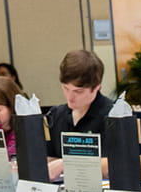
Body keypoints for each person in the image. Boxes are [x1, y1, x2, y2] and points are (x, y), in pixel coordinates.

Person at [44, 49, 112, 180]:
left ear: (97, 87)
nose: (70, 97)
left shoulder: (113, 117)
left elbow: (115, 165)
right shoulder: (56, 114)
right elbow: (48, 158)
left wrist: (66, 164)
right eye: (66, 88)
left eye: (78, 91)